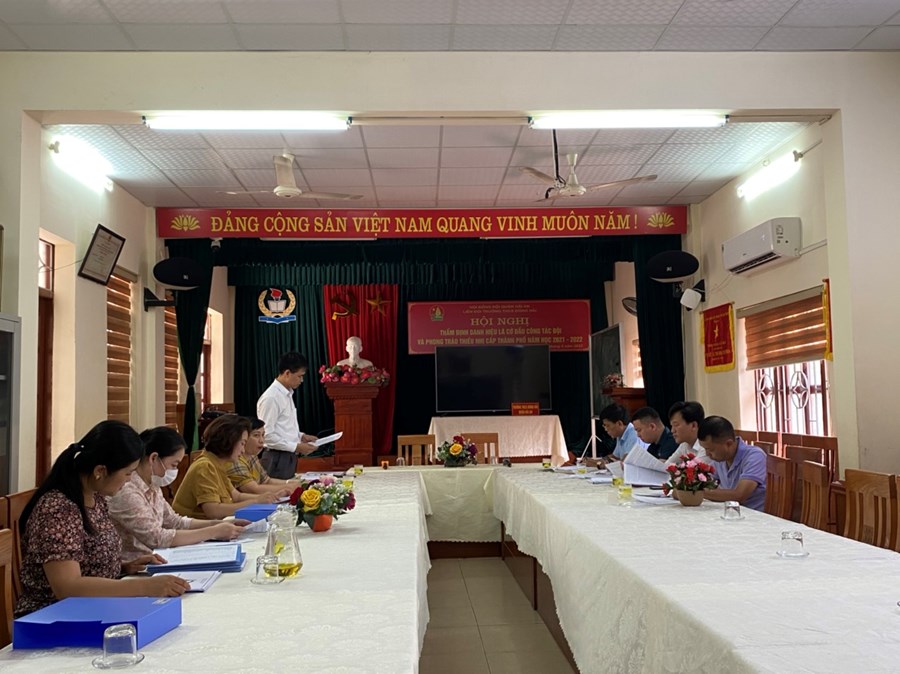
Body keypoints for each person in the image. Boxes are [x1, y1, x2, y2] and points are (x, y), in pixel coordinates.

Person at [15, 420, 190, 617]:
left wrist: (125, 567)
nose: (129, 481)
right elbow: (67, 587)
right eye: (127, 473)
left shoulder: (95, 498)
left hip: (96, 606)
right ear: (100, 471)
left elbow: (88, 564)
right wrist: (145, 586)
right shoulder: (58, 509)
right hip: (55, 616)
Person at [109, 426, 247, 563]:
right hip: (137, 565)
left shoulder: (152, 484)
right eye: (174, 465)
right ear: (154, 458)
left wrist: (219, 524)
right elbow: (157, 538)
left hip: (158, 558)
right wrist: (214, 531)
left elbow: (174, 522)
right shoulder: (126, 491)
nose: (175, 471)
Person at [173, 415, 286, 519]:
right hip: (196, 530)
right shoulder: (205, 466)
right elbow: (213, 511)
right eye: (242, 443)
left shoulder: (219, 464)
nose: (243, 450)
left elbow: (237, 496)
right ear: (229, 441)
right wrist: (256, 501)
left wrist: (270, 497)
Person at [257, 351, 320, 479]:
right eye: (299, 376)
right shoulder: (271, 398)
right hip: (276, 457)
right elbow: (266, 435)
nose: (302, 380)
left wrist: (301, 436)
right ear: (287, 373)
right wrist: (296, 446)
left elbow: (284, 426)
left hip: (287, 455)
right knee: (277, 491)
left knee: (288, 490)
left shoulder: (286, 394)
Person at [698, 415, 767, 512]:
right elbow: (705, 482)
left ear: (728, 444)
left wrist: (697, 493)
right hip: (731, 513)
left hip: (754, 516)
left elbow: (739, 495)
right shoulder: (720, 459)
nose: (707, 454)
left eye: (711, 450)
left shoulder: (755, 456)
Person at [228, 418, 299, 495]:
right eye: (256, 435)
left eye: (263, 435)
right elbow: (254, 489)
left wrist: (290, 482)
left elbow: (266, 480)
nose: (261, 440)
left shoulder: (252, 456)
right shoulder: (235, 461)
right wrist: (289, 487)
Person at [665, 401, 708, 466]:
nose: (672, 430)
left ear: (693, 425)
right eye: (672, 426)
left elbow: (697, 471)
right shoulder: (684, 444)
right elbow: (667, 466)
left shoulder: (706, 447)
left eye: (676, 425)